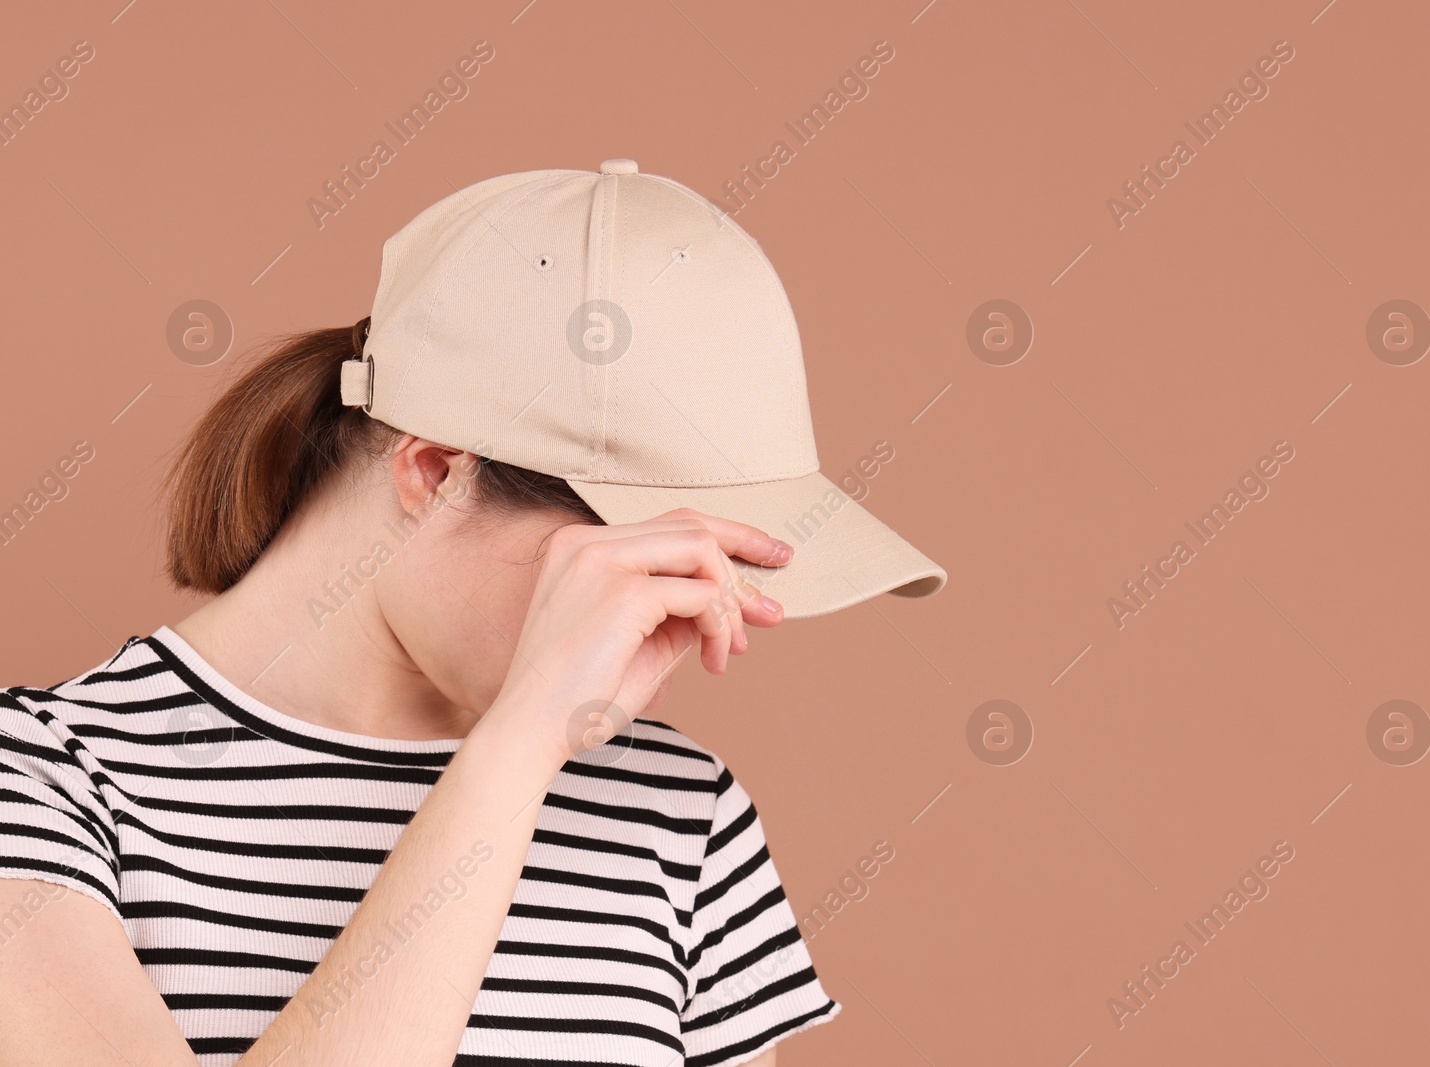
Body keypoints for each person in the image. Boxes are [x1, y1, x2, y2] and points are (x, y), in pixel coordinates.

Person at [0, 160, 946, 1065]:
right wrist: (517, 744)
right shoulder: (41, 784)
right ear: (434, 472)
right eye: (623, 571)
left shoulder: (680, 811)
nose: (664, 630)